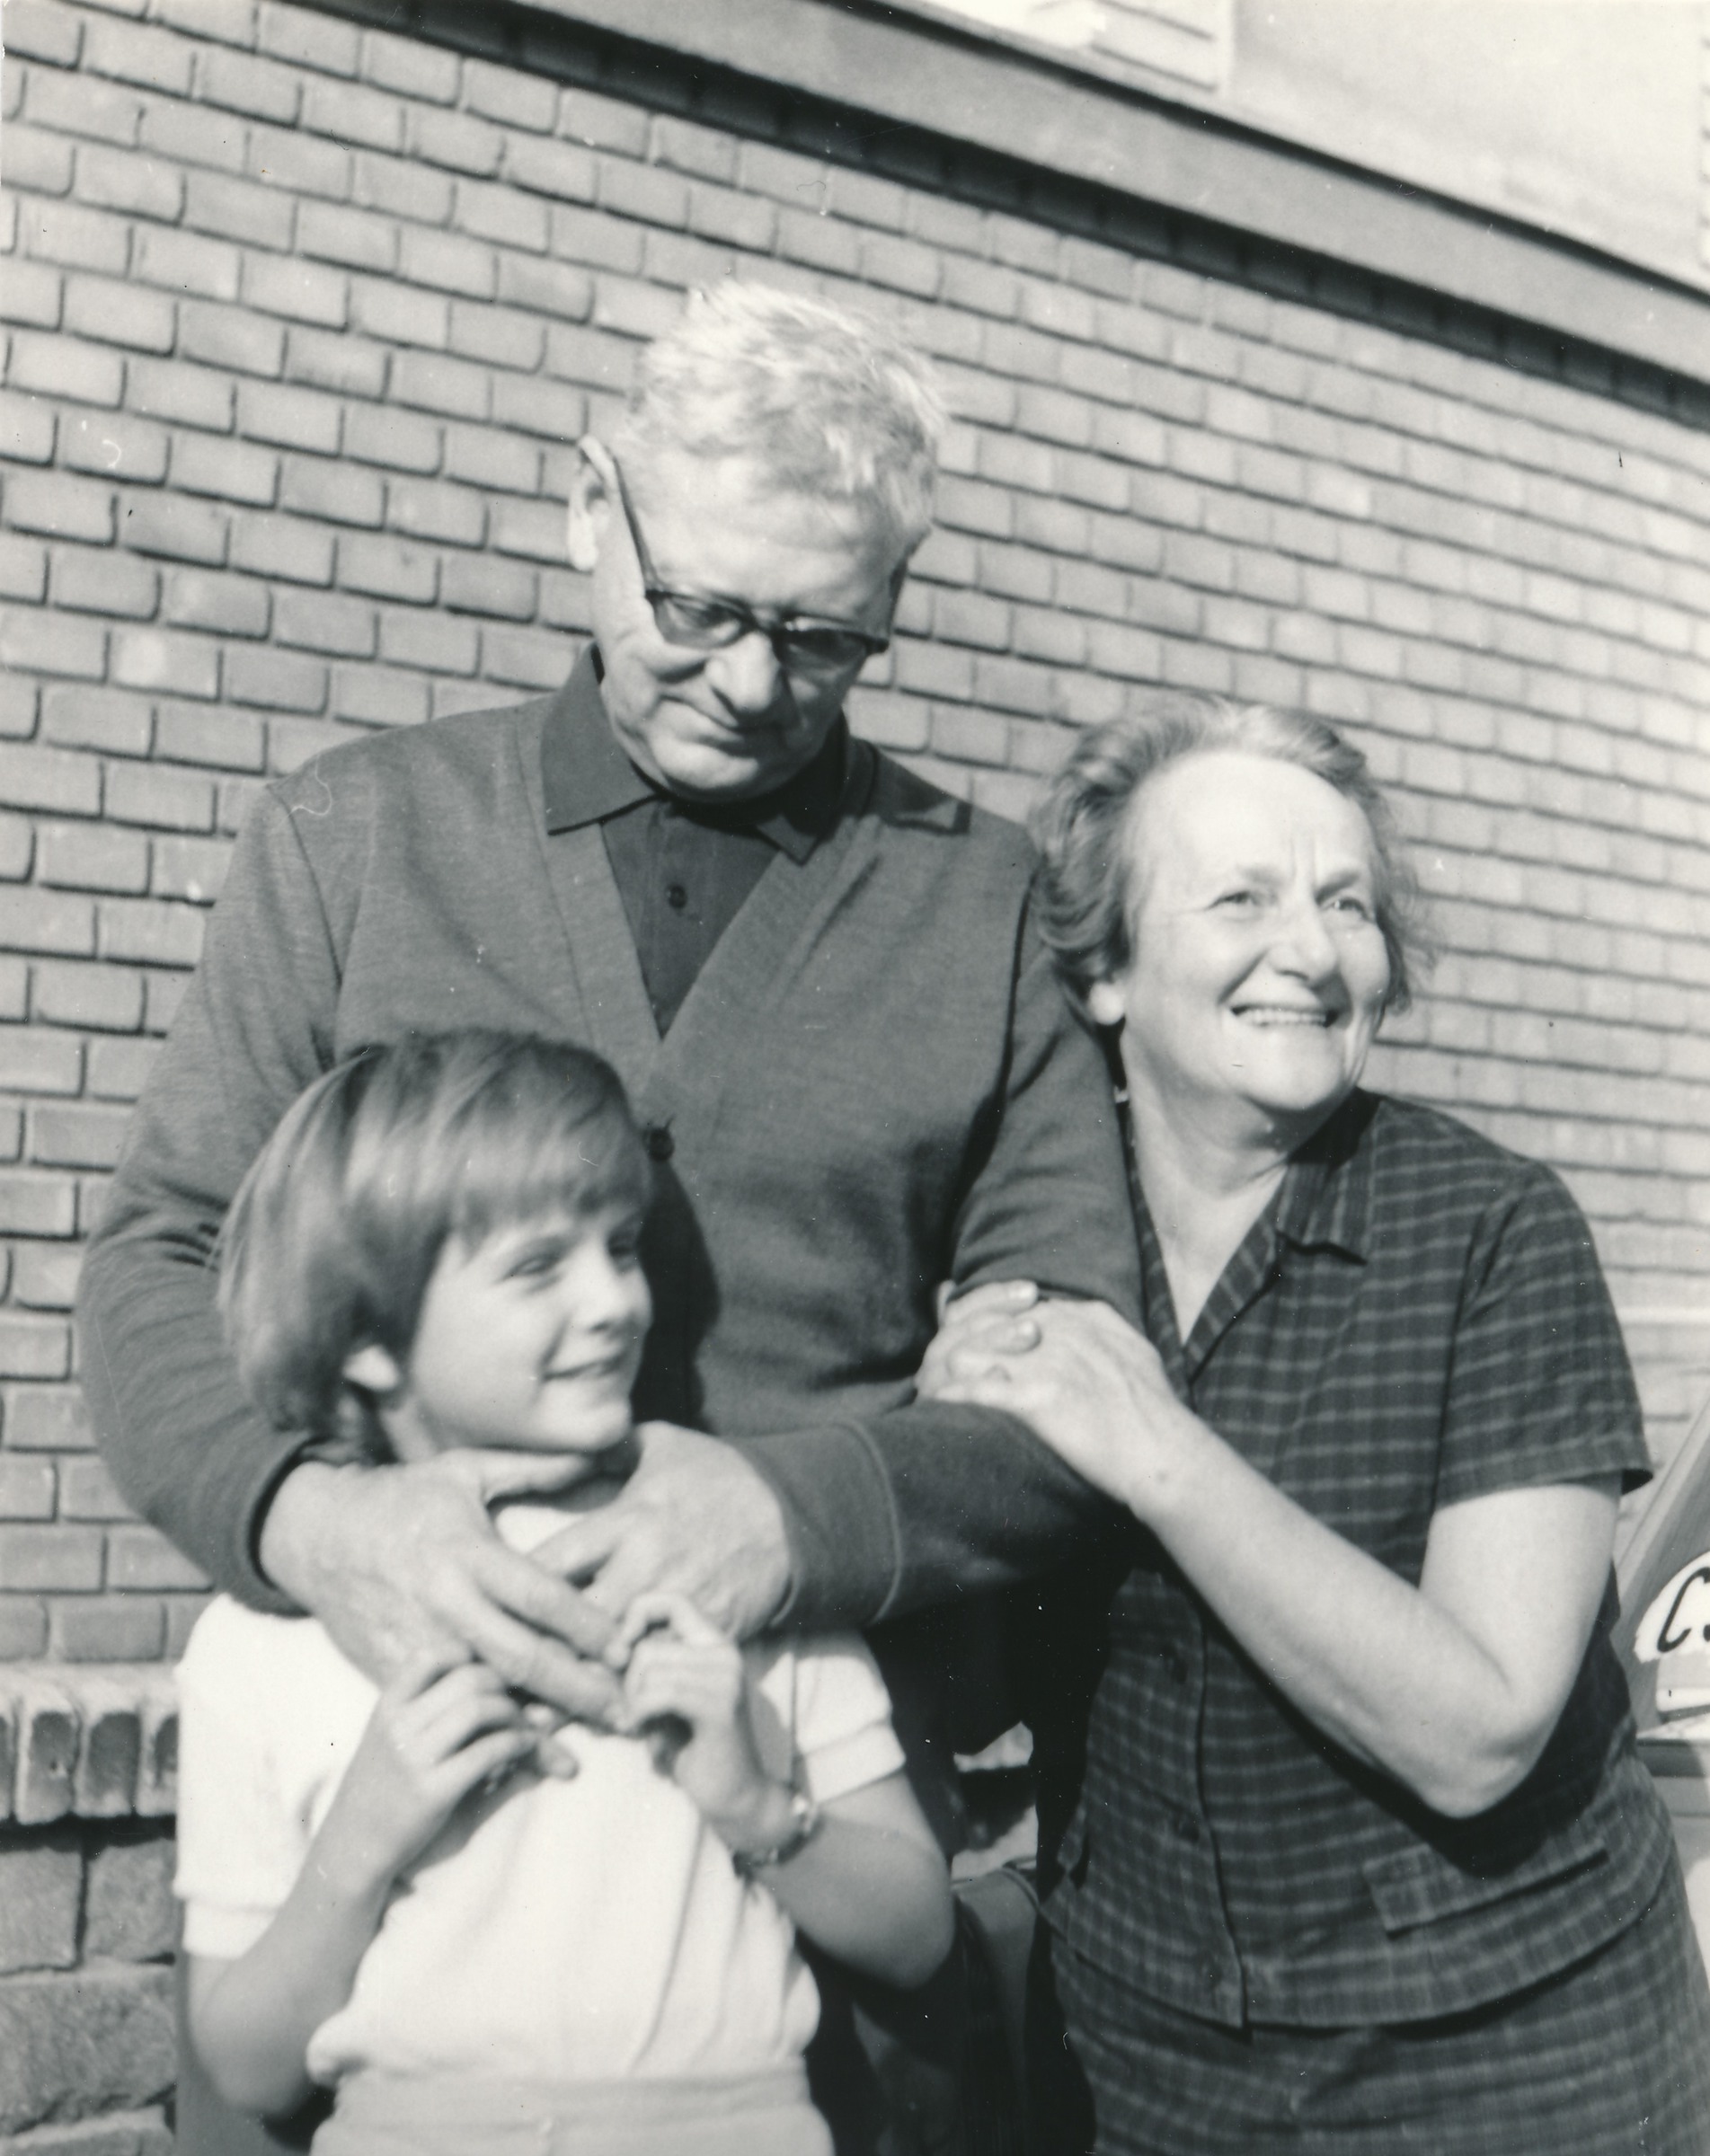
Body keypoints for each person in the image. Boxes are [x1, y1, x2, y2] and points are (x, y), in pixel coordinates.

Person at [77, 282, 1141, 2152]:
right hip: (387, 1900)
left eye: (825, 637)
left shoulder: (980, 906)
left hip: (820, 1899)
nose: (752, 683)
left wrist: (786, 1518)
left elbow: (1084, 1380)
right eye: (701, 609)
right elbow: (160, 1265)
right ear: (591, 507)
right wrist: (311, 1521)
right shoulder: (355, 836)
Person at [925, 694, 1710, 2153]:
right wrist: (943, 1448)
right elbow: (966, 1702)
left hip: (1505, 2077)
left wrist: (1156, 1454)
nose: (1310, 949)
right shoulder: (1020, 1242)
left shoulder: (1492, 1231)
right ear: (1101, 969)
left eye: (1345, 903)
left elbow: (1479, 1729)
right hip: (1148, 2075)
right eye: (1241, 899)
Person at [178, 1031, 953, 2156]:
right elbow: (247, 2067)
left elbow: (918, 1936)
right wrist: (360, 1844)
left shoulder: (725, 1557)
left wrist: (755, 1807)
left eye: (621, 1245)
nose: (615, 1300)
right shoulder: (265, 1641)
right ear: (367, 1336)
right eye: (538, 1266)